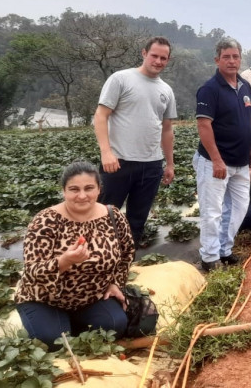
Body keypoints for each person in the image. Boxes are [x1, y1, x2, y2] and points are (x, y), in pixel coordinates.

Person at [15, 161, 134, 351]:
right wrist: (64, 261)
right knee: (53, 342)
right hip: (45, 299)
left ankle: (71, 323)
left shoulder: (114, 216)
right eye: (74, 189)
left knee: (115, 325)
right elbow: (32, 271)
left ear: (99, 189)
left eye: (89, 188)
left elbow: (127, 253)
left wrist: (115, 283)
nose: (82, 195)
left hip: (91, 297)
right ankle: (53, 323)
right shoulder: (45, 220)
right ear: (64, 191)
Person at [94, 36, 176, 244]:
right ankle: (98, 262)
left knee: (137, 220)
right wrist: (106, 152)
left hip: (151, 164)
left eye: (163, 58)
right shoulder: (121, 79)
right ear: (144, 53)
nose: (158, 61)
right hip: (118, 161)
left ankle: (126, 261)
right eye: (154, 56)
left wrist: (170, 163)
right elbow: (101, 116)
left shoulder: (166, 90)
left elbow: (166, 130)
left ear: (168, 60)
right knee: (104, 216)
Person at [194, 38, 251, 271]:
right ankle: (210, 258)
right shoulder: (210, 89)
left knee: (239, 207)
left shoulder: (244, 85)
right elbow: (204, 126)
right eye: (226, 57)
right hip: (215, 162)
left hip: (241, 162)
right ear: (217, 60)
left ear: (241, 58)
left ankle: (224, 249)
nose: (232, 61)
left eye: (235, 56)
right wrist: (216, 159)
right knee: (212, 211)